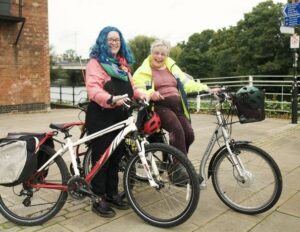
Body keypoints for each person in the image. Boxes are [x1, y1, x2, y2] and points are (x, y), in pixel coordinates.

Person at [85, 26, 147, 218]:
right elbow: (93, 89)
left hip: (121, 116)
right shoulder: (95, 63)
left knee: (116, 157)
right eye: (110, 39)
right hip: (102, 114)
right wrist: (111, 99)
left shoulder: (122, 64)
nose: (114, 42)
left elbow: (132, 88)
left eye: (117, 40)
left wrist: (141, 95)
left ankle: (111, 194)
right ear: (102, 41)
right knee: (102, 158)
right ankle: (97, 198)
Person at [133, 39, 219, 157]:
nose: (159, 56)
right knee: (177, 132)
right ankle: (180, 171)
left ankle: (175, 163)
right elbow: (139, 89)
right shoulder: (143, 71)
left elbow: (187, 83)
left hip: (178, 107)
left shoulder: (172, 67)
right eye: (156, 53)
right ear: (151, 53)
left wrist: (207, 89)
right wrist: (151, 93)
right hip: (160, 107)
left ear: (167, 56)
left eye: (163, 54)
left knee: (189, 135)